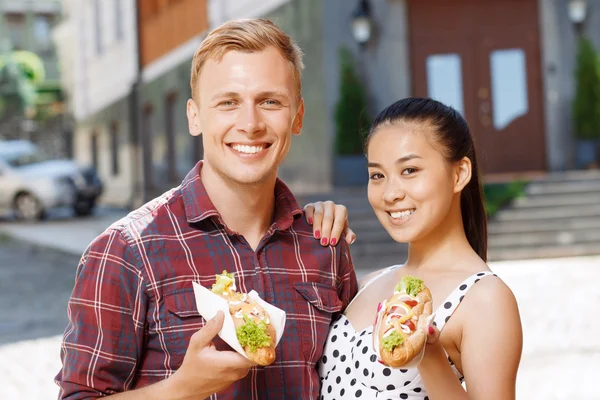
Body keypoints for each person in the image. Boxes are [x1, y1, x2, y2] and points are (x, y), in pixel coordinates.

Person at [56, 18, 359, 399]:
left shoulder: (324, 244)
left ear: (297, 116)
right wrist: (181, 389)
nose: (250, 124)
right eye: (228, 103)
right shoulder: (125, 251)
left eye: (270, 102)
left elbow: (354, 382)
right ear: (194, 116)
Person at [318, 98, 523, 399]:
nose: (390, 193)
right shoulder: (370, 283)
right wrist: (309, 223)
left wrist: (430, 356)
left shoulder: (485, 298)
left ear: (459, 174)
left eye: (410, 170)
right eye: (377, 175)